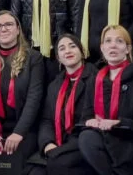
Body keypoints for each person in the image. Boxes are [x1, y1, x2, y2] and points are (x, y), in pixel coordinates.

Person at [77, 25, 133, 175]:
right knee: (86, 139)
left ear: (128, 49)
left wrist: (119, 123)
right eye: (108, 41)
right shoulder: (95, 79)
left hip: (130, 141)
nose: (113, 45)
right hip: (102, 140)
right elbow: (86, 116)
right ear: (102, 48)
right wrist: (90, 122)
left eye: (119, 41)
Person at [0, 11, 44, 164]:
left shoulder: (33, 58)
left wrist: (19, 133)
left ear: (18, 29)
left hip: (24, 128)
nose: (3, 29)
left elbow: (34, 99)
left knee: (16, 161)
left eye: (8, 24)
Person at [34, 34, 96, 173]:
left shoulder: (95, 78)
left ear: (82, 52)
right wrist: (47, 143)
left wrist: (60, 150)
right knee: (33, 170)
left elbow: (90, 122)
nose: (67, 51)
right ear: (58, 58)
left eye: (72, 46)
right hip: (58, 144)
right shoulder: (54, 85)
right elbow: (46, 120)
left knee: (57, 164)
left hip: (84, 143)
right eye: (62, 48)